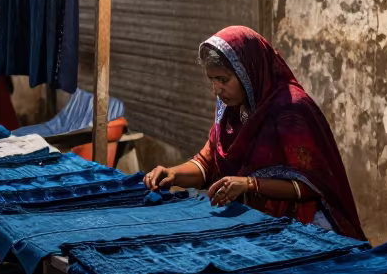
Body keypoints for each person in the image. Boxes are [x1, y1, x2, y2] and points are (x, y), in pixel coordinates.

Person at [144, 26, 365, 239]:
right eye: (212, 80)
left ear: (248, 72)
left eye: (224, 80)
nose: (217, 91)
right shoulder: (231, 110)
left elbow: (313, 185)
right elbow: (207, 164)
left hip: (302, 225)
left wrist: (251, 184)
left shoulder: (290, 111)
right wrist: (173, 175)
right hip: (254, 220)